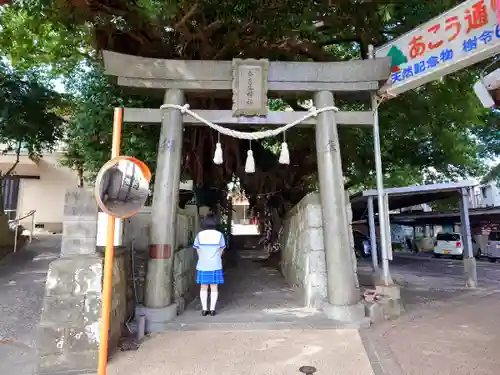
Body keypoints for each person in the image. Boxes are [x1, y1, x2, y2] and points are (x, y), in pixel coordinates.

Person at [193, 214, 226, 316]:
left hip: (203, 264)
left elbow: (197, 249)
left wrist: (202, 257)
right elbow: (222, 249)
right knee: (214, 287)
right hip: (215, 264)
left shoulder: (199, 235)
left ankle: (204, 309)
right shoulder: (219, 235)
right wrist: (217, 257)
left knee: (203, 287)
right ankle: (212, 310)